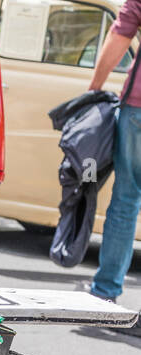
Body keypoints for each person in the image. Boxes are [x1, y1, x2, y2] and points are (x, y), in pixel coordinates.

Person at [88, 0, 141, 318]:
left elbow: (119, 37)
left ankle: (105, 294)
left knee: (125, 200)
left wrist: (94, 88)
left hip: (137, 111)